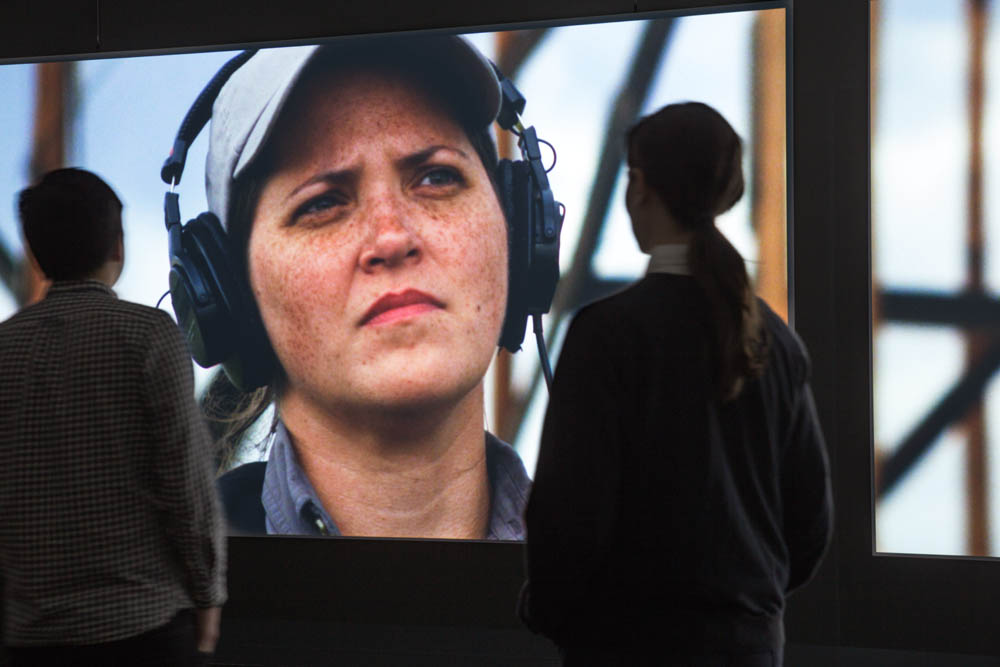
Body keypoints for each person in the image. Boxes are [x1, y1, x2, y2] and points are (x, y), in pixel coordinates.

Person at [518, 102, 833, 666]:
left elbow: (569, 518)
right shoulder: (778, 345)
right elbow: (809, 526)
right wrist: (744, 605)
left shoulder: (604, 335)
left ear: (638, 187)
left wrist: (550, 612)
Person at [202, 36, 533, 539]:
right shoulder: (153, 606)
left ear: (517, 233)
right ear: (236, 296)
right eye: (320, 204)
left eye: (437, 177)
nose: (392, 237)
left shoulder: (634, 592)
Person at [0, 169, 226, 666]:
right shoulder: (151, 337)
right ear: (117, 248)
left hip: (32, 640)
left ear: (35, 254)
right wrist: (209, 594)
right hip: (144, 631)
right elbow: (187, 489)